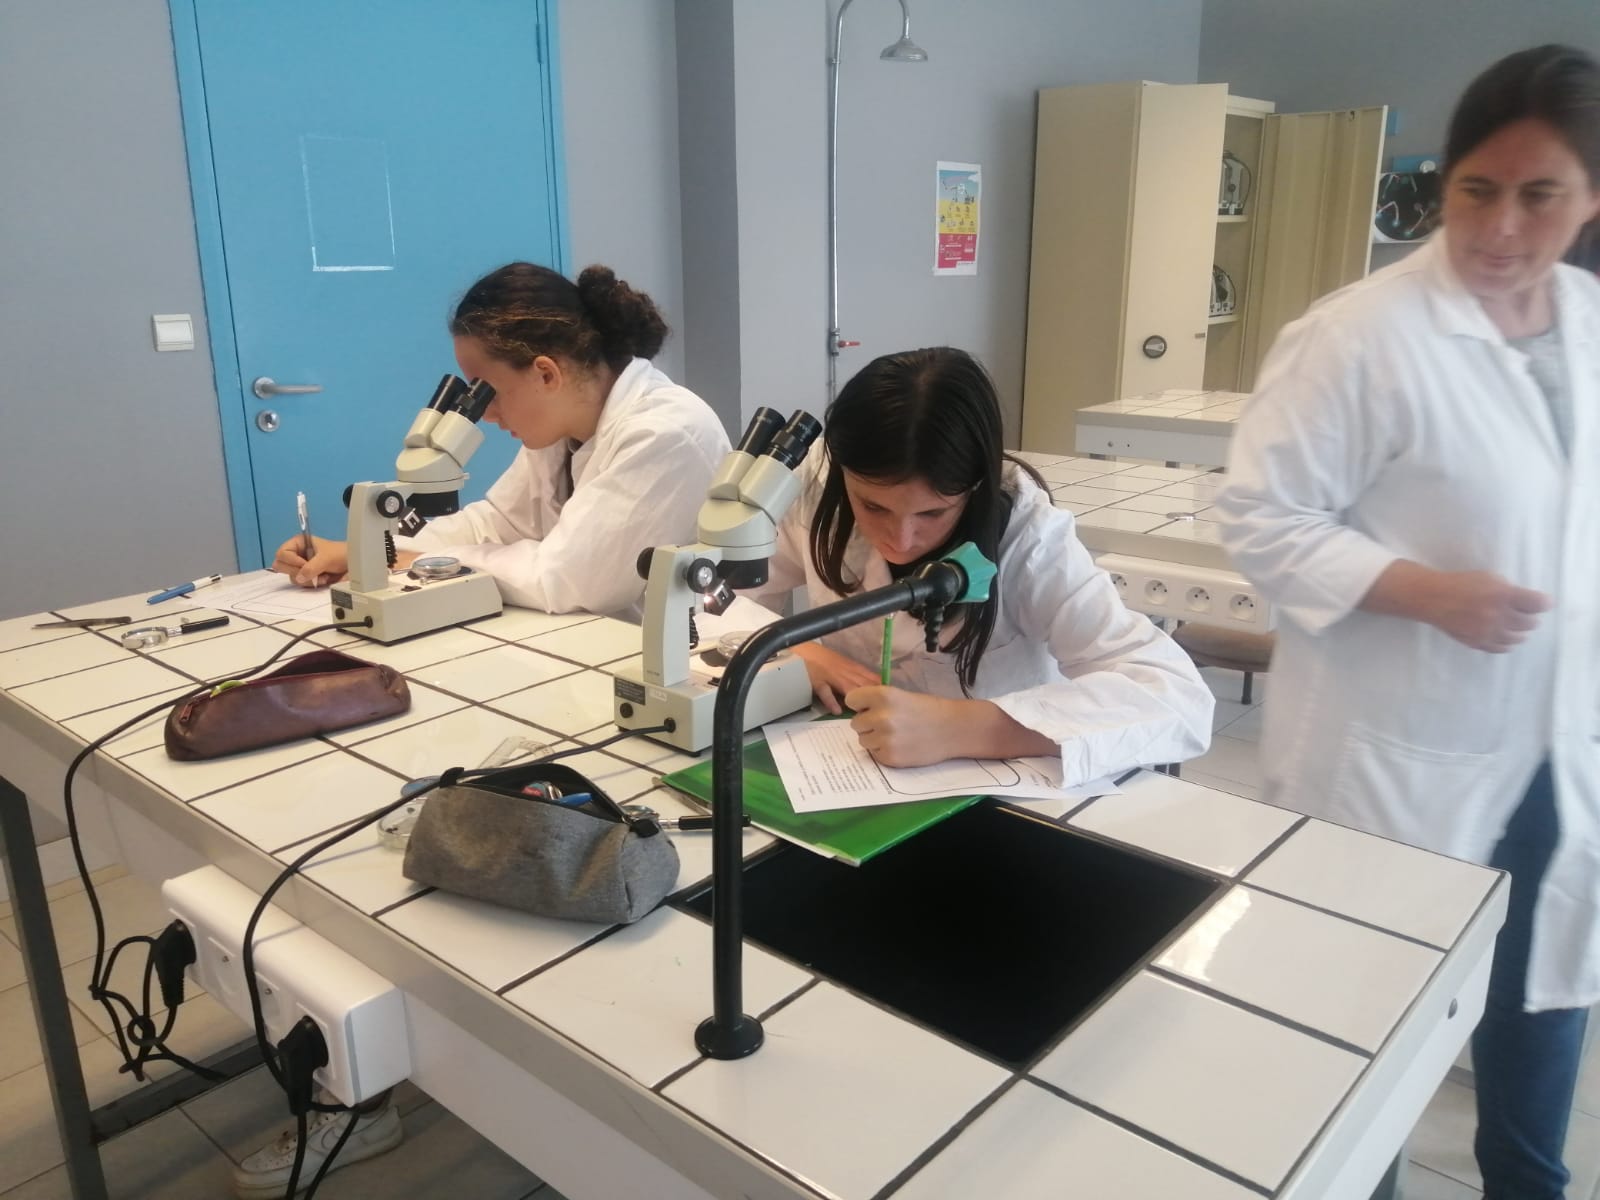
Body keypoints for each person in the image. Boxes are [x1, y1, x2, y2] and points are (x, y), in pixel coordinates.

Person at [1213, 44, 1600, 1200]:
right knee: (1365, 1038)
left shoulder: (1586, 321)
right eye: (1475, 188)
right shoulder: (1360, 334)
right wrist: (1429, 591)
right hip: (1393, 759)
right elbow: (1259, 519)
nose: (1498, 227)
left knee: (1538, 1012)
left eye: (1541, 196)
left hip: (1554, 754)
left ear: (1590, 198)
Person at [752, 345, 1212, 776]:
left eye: (932, 512)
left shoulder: (1030, 539)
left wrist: (964, 727)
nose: (900, 539)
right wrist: (795, 651)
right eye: (873, 507)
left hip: (990, 784)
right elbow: (721, 598)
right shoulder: (815, 484)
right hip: (836, 765)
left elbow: (1178, 699)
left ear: (976, 488)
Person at [272, 262, 730, 619]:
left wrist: (405, 558)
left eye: (486, 391)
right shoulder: (562, 427)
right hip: (592, 639)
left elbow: (564, 580)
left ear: (545, 373)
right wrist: (370, 550)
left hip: (693, 662)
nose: (483, 415)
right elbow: (494, 524)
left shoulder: (666, 433)